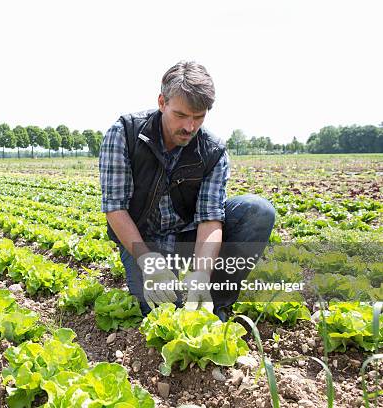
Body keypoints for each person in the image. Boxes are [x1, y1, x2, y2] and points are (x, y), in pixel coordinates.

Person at [99, 60, 275, 322]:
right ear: (162, 102)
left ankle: (216, 303)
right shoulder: (125, 133)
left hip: (187, 232)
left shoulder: (212, 151)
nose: (189, 127)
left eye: (198, 117)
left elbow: (210, 218)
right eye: (180, 115)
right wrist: (148, 261)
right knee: (161, 310)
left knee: (257, 211)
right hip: (143, 236)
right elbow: (115, 207)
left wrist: (202, 273)